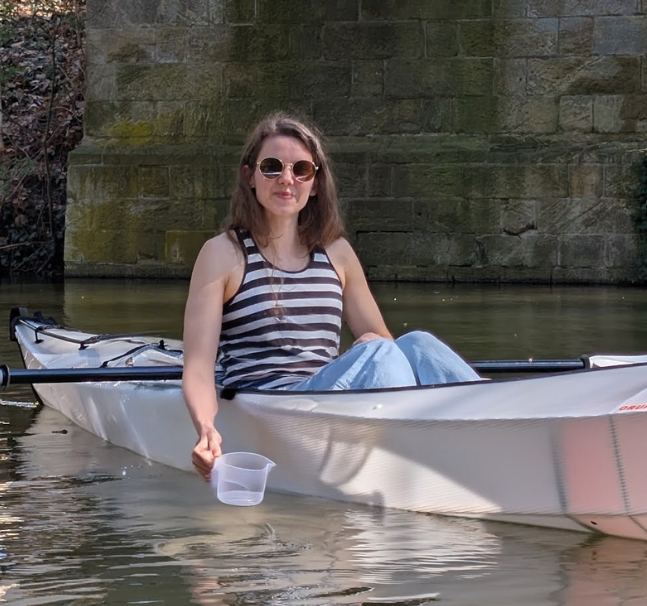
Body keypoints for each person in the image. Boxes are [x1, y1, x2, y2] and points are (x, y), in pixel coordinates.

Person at [182, 112, 481, 479]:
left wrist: (376, 349)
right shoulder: (223, 253)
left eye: (301, 169)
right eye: (272, 167)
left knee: (417, 344)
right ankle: (432, 459)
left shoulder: (336, 253)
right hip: (276, 408)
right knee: (378, 351)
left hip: (327, 400)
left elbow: (387, 345)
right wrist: (206, 428)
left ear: (316, 182)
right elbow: (198, 366)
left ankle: (493, 426)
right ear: (250, 176)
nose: (286, 179)